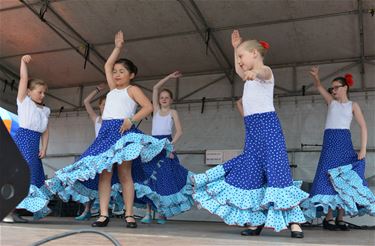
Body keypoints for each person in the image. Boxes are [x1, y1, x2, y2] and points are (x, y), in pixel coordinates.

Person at [46, 31, 172, 229]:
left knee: (125, 173)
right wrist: (117, 47)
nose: (116, 74)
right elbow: (106, 65)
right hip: (106, 132)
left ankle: (129, 214)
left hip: (123, 131)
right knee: (104, 173)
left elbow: (148, 107)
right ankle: (103, 214)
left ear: (131, 75)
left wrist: (131, 120)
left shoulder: (133, 89)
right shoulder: (113, 89)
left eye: (122, 71)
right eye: (115, 71)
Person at [191, 30, 308, 238]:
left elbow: (262, 72)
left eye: (242, 57)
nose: (240, 61)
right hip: (253, 132)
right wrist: (235, 48)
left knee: (277, 171)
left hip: (268, 129)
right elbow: (240, 71)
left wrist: (256, 72)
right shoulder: (248, 78)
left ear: (254, 53)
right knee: (253, 174)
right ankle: (257, 221)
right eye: (238, 59)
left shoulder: (265, 72)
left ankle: (294, 222)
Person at [302, 67, 375, 230]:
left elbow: (364, 127)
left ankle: (340, 218)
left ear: (345, 88)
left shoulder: (352, 105)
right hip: (330, 145)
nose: (333, 90)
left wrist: (363, 150)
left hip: (344, 144)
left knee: (343, 180)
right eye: (332, 88)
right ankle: (329, 218)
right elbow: (319, 88)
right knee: (328, 178)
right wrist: (316, 78)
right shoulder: (331, 102)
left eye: (336, 87)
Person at [133, 71, 194, 224]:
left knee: (164, 179)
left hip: (166, 144)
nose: (164, 99)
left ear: (171, 100)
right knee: (149, 178)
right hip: (153, 145)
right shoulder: (155, 111)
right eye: (162, 97)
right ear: (158, 100)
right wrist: (168, 77)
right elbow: (154, 88)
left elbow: (179, 131)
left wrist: (170, 146)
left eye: (167, 97)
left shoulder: (173, 112)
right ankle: (147, 213)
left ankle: (162, 213)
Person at [3, 55, 51, 222]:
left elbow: (45, 131)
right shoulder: (24, 102)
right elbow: (24, 79)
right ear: (29, 92)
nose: (42, 95)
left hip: (34, 143)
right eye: (39, 92)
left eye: (44, 92)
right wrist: (23, 63)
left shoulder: (45, 111)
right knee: (21, 174)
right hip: (23, 140)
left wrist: (44, 148)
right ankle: (8, 212)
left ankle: (15, 212)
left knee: (34, 175)